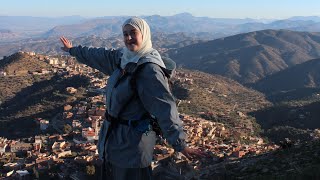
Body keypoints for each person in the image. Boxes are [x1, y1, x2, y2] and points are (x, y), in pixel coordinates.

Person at [60, 17, 206, 180]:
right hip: (113, 140)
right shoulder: (124, 58)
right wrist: (72, 50)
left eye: (133, 33)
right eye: (125, 34)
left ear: (144, 34)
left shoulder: (149, 70)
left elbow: (165, 108)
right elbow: (98, 55)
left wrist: (180, 144)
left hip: (133, 147)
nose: (128, 38)